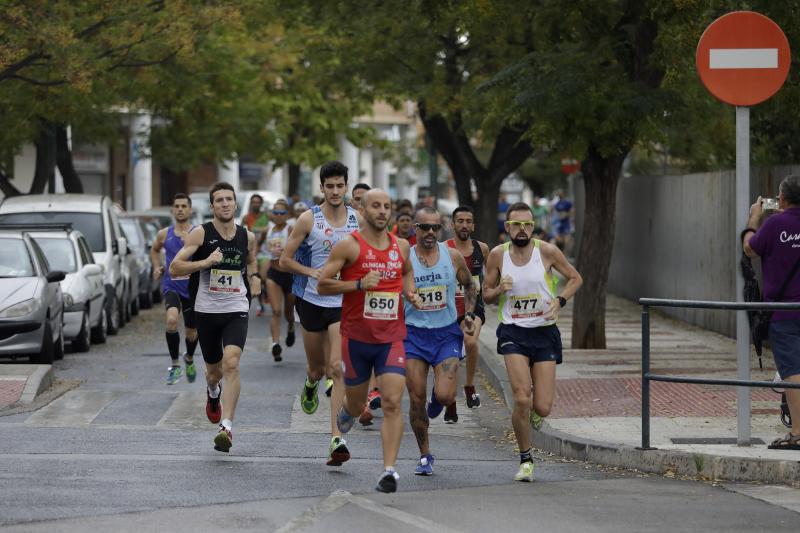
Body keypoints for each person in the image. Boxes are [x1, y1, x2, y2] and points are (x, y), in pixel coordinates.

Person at [317, 188, 421, 493]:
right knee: (357, 402)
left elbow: (407, 272)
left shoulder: (401, 247)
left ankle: (389, 471)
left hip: (391, 338)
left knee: (391, 401)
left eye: (386, 206)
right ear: (362, 209)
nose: (382, 211)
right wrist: (359, 284)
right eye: (375, 205)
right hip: (357, 338)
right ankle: (347, 412)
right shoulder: (349, 246)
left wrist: (409, 291)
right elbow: (323, 284)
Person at [483, 202, 582, 482]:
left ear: (533, 226)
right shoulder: (497, 256)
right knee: (521, 397)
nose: (523, 229)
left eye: (528, 224)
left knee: (543, 407)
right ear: (507, 227)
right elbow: (485, 294)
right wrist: (498, 289)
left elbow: (576, 278)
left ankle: (535, 413)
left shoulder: (547, 251)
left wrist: (560, 301)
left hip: (544, 332)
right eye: (517, 225)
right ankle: (526, 458)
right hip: (513, 331)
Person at [170, 182, 261, 453]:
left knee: (231, 363)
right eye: (219, 200)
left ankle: (227, 427)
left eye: (229, 199)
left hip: (236, 308)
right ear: (212, 206)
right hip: (207, 311)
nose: (224, 204)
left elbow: (252, 260)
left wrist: (254, 277)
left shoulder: (248, 236)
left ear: (235, 204)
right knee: (213, 373)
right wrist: (205, 263)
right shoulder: (200, 234)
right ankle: (213, 394)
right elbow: (175, 267)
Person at [279, 161, 359, 467]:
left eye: (341, 185)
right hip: (311, 301)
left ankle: (337, 438)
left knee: (336, 368)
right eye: (330, 186)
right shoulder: (307, 219)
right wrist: (311, 271)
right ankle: (310, 383)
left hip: (342, 302)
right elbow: (285, 260)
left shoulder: (356, 220)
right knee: (316, 369)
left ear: (346, 186)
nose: (336, 191)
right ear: (322, 188)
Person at [404, 207, 476, 476]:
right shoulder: (405, 258)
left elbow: (470, 286)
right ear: (415, 229)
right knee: (415, 397)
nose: (431, 232)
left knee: (445, 396)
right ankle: (425, 456)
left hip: (446, 333)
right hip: (412, 334)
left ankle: (438, 399)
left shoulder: (453, 256)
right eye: (425, 227)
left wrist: (468, 314)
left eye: (436, 228)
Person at [744, 175, 800, 450]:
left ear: (782, 199)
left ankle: (798, 433)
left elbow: (750, 249)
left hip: (783, 312)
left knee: (791, 371)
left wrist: (753, 221)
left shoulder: (775, 224)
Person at [445, 205, 491, 422]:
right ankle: (450, 401)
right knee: (451, 355)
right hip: (449, 308)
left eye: (468, 221)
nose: (464, 225)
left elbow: (489, 277)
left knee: (470, 343)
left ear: (473, 225)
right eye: (460, 221)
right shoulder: (444, 248)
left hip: (474, 307)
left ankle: (469, 385)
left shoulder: (482, 248)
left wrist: (492, 288)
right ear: (452, 224)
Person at [150, 193, 199, 385]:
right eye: (177, 206)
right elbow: (154, 249)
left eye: (183, 206)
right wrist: (157, 266)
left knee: (192, 332)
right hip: (171, 285)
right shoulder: (164, 233)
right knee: (171, 321)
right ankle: (175, 365)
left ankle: (189, 358)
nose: (180, 209)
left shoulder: (197, 233)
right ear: (172, 210)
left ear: (190, 210)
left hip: (192, 288)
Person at [260, 198, 296, 361]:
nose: (279, 215)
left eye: (282, 213)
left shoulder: (291, 229)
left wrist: (289, 253)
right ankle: (275, 344)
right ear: (272, 214)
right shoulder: (268, 230)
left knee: (288, 312)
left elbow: (301, 248)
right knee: (275, 311)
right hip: (274, 273)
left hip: (289, 274)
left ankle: (290, 327)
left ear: (287, 215)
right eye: (276, 212)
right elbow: (257, 246)